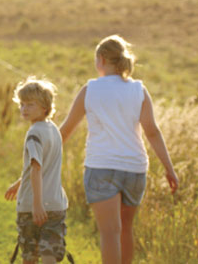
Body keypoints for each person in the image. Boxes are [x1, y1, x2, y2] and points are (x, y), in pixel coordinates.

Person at [58, 34, 179, 264]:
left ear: (101, 59)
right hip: (135, 169)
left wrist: (41, 158)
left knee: (109, 233)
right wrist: (169, 169)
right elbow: (152, 131)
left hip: (101, 167)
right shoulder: (139, 90)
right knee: (125, 230)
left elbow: (65, 131)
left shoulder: (90, 90)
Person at [5, 77, 69, 264]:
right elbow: (42, 164)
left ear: (44, 106)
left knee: (30, 256)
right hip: (57, 205)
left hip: (32, 206)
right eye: (22, 104)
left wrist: (37, 204)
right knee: (50, 253)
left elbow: (36, 168)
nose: (24, 109)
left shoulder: (34, 134)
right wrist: (19, 183)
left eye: (30, 104)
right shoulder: (54, 130)